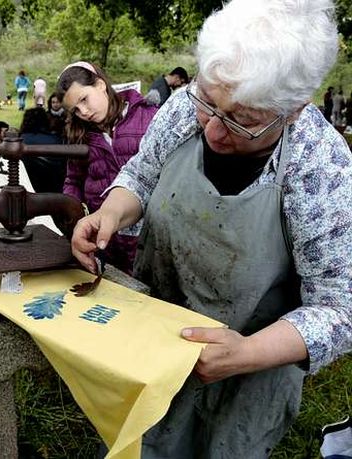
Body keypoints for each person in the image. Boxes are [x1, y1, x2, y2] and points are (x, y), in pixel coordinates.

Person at [71, 0, 352, 457]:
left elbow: (340, 309)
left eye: (243, 122)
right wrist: (112, 213)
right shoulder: (186, 109)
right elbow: (142, 174)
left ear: (295, 110)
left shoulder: (321, 166)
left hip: (250, 361)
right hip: (155, 334)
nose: (215, 132)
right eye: (209, 103)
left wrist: (245, 353)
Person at [56, 61, 158, 274]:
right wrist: (74, 215)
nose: (83, 112)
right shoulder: (80, 136)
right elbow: (73, 180)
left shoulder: (149, 116)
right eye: (75, 110)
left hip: (152, 237)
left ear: (101, 85)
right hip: (107, 241)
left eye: (84, 99)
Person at [19, 107, 66, 193]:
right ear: (45, 120)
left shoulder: (20, 141)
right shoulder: (57, 140)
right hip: (55, 189)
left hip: (26, 188)